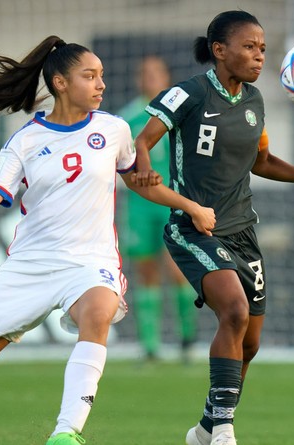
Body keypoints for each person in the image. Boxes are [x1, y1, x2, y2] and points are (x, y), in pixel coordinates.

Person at [0, 36, 215, 445]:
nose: (101, 85)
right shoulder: (25, 140)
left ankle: (66, 433)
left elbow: (140, 183)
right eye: (89, 76)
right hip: (31, 265)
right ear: (60, 83)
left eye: (102, 76)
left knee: (98, 311)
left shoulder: (113, 130)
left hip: (90, 261)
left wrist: (190, 206)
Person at [131, 10, 294, 445]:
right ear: (219, 50)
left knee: (250, 343)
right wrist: (144, 171)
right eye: (248, 46)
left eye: (261, 48)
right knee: (234, 312)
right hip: (193, 227)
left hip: (243, 231)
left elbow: (263, 162)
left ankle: (203, 427)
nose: (259, 56)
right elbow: (142, 141)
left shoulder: (255, 100)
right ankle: (223, 429)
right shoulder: (189, 93)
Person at [117, 55, 198, 362]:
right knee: (146, 271)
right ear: (139, 79)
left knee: (178, 269)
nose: (150, 77)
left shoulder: (181, 112)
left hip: (172, 201)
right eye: (145, 72)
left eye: (156, 72)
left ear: (166, 78)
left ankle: (187, 339)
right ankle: (150, 345)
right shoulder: (126, 119)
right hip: (139, 206)